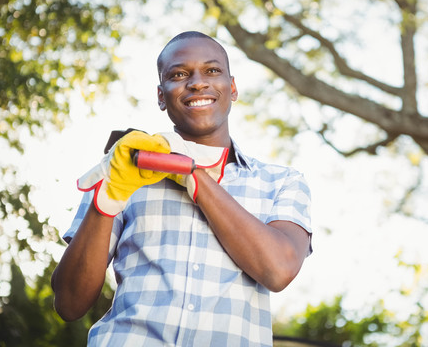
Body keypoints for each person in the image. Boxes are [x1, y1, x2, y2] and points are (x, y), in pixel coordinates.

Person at [51, 31, 312, 347]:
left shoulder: (281, 182)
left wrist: (192, 175)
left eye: (212, 70)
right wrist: (105, 201)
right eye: (179, 74)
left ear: (232, 88)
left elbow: (278, 269)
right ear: (162, 96)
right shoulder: (124, 168)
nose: (198, 83)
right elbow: (69, 303)